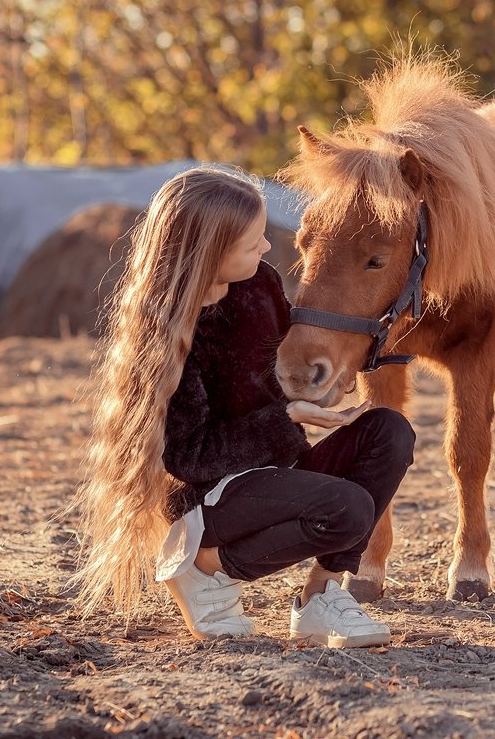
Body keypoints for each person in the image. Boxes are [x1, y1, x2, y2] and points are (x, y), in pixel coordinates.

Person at [69, 165, 414, 647]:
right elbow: (189, 458)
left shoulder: (260, 284)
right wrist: (286, 417)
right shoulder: (168, 334)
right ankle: (202, 566)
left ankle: (321, 597)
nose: (268, 248)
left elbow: (280, 364)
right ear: (213, 250)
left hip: (275, 465)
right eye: (253, 242)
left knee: (389, 431)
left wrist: (342, 363)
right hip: (210, 497)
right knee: (348, 509)